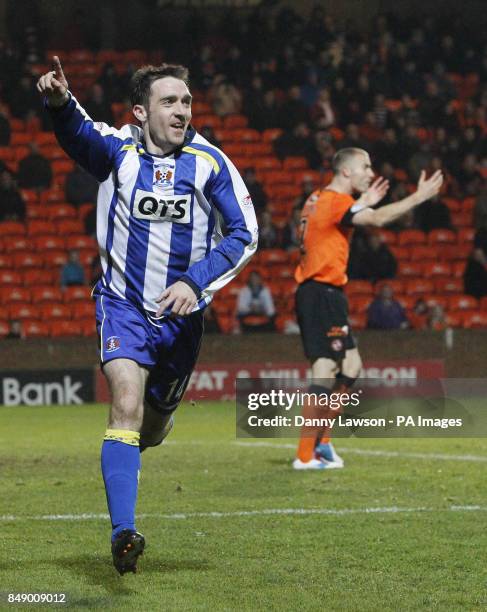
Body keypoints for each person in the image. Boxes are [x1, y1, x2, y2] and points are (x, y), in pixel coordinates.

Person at [37, 56, 257, 574]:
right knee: (125, 405)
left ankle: (156, 424)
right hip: (123, 305)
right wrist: (58, 102)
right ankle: (123, 534)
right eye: (169, 101)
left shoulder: (210, 163)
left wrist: (193, 279)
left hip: (183, 319)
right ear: (140, 111)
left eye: (186, 101)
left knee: (151, 430)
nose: (182, 110)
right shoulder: (119, 150)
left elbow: (244, 234)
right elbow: (77, 133)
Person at [293, 147, 443, 469]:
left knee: (351, 367)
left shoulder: (319, 198)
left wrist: (362, 202)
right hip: (320, 292)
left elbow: (345, 216)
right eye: (365, 166)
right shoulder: (335, 201)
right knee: (325, 367)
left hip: (325, 292)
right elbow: (374, 220)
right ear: (346, 171)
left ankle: (323, 442)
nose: (370, 172)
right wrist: (419, 197)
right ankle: (306, 455)